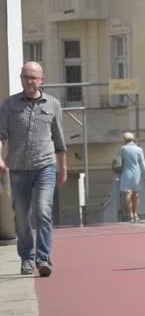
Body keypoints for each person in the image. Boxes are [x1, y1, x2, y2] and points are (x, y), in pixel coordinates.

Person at [0, 62, 67, 277]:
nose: (29, 81)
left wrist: (62, 169)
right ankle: (26, 259)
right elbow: (1, 136)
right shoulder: (9, 105)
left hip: (45, 166)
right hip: (18, 168)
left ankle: (43, 258)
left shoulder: (53, 104)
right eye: (25, 77)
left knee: (43, 211)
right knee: (21, 217)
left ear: (42, 80)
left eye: (33, 77)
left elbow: (59, 140)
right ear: (21, 79)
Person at [119, 132, 145, 222]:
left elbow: (119, 161)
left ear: (124, 140)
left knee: (128, 194)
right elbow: (142, 163)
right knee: (136, 194)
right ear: (133, 139)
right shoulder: (139, 149)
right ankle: (136, 214)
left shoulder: (123, 149)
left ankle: (130, 214)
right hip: (136, 173)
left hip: (126, 173)